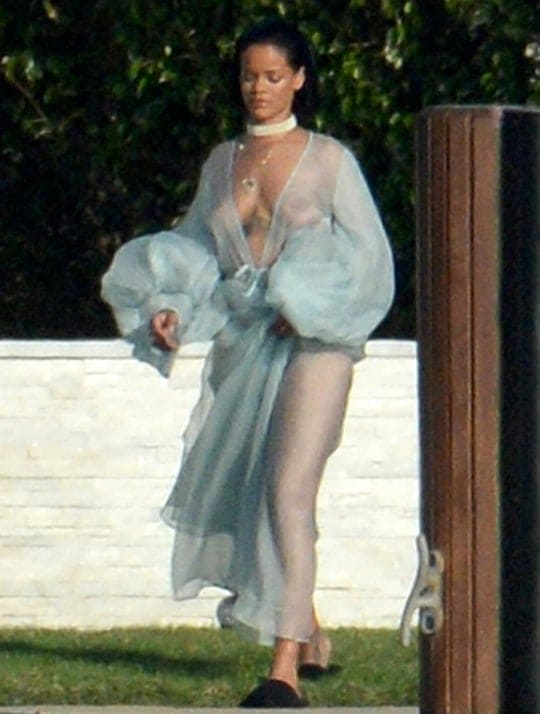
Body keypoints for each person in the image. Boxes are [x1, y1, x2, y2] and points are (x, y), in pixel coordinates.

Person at [101, 18, 394, 708]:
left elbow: (370, 260)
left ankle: (282, 670)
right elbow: (196, 246)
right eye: (248, 76)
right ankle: (310, 634)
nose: (259, 89)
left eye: (273, 76)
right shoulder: (222, 162)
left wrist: (309, 303)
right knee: (257, 489)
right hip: (247, 343)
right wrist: (170, 307)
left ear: (298, 79)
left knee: (289, 490)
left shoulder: (328, 160)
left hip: (315, 344)